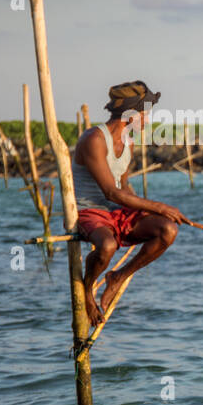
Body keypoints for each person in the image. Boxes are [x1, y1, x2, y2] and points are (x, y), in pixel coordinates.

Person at [72, 80, 186, 325]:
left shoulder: (129, 142)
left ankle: (118, 277)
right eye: (145, 113)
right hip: (88, 211)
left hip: (115, 210)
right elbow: (111, 192)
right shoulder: (94, 139)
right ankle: (88, 290)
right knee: (108, 247)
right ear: (131, 113)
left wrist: (155, 214)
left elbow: (124, 189)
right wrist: (160, 206)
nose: (146, 119)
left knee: (168, 229)